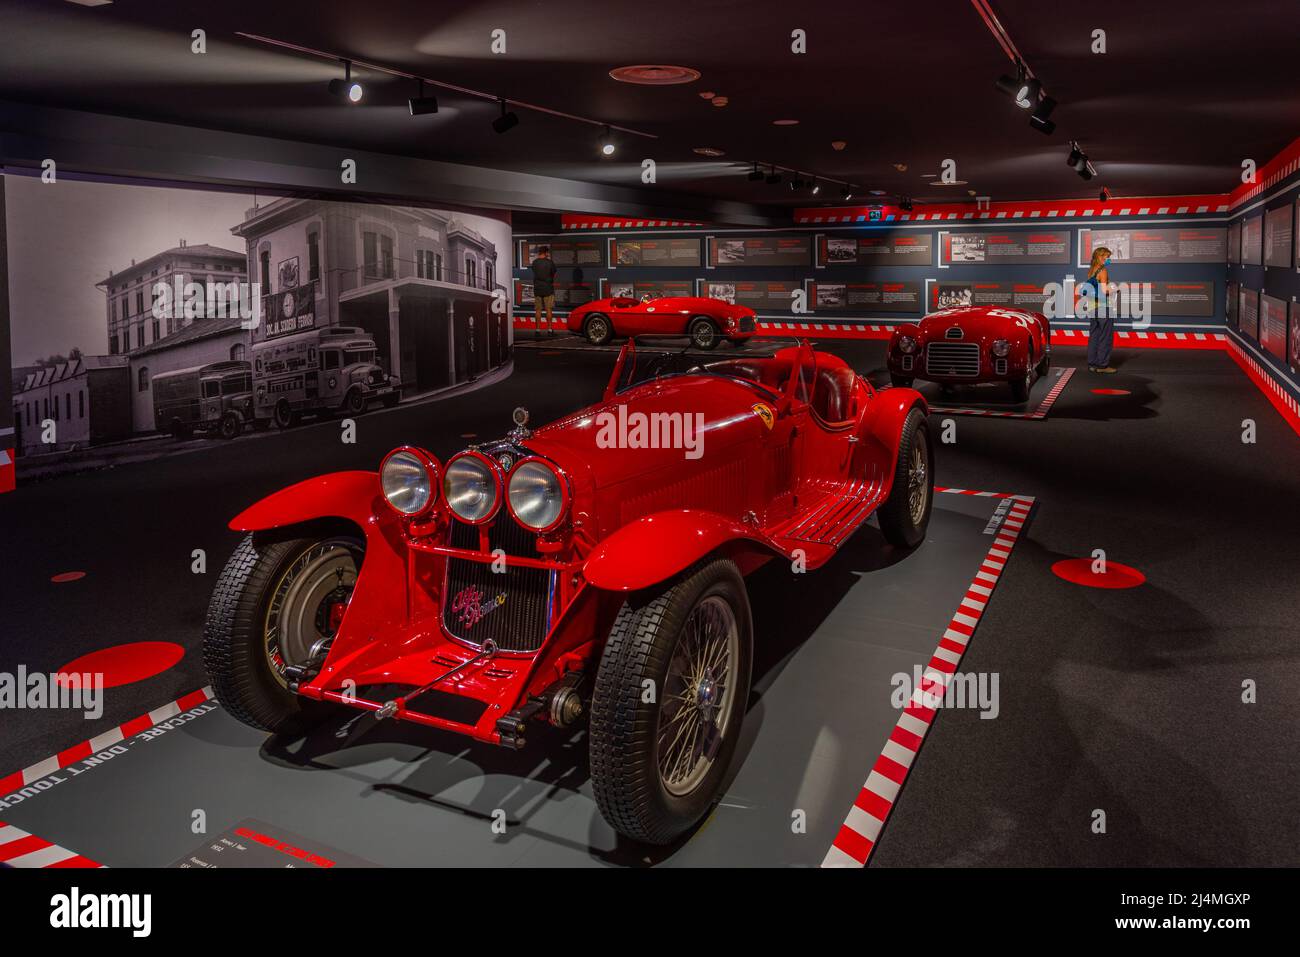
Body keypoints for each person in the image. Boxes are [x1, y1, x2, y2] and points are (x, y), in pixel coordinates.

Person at [1083, 246, 1117, 373]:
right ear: (1100, 256)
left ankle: (1092, 364)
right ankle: (1103, 366)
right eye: (1107, 257)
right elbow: (1103, 291)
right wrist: (1115, 289)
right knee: (1105, 337)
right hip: (1103, 307)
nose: (1108, 259)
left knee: (1094, 336)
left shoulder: (1092, 270)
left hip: (1093, 307)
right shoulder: (1103, 270)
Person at [530, 245, 557, 335]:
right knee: (548, 309)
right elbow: (553, 273)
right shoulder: (550, 263)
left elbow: (534, 272)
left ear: (539, 252)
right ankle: (549, 329)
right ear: (546, 253)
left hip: (538, 288)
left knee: (538, 310)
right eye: (547, 253)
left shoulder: (535, 263)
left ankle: (537, 330)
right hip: (548, 288)